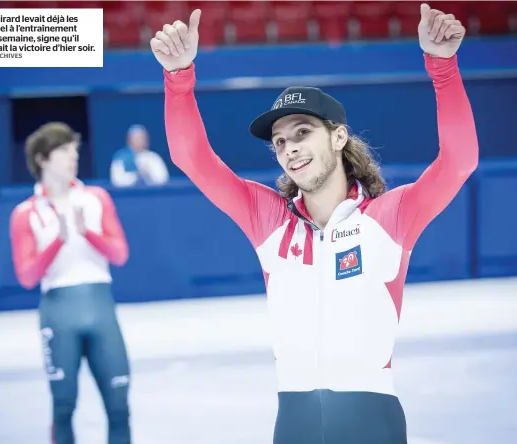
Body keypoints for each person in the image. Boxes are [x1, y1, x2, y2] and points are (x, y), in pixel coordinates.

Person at [151, 3, 478, 444]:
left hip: (372, 425)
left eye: (303, 132)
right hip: (295, 426)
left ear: (339, 137)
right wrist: (179, 76)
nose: (289, 148)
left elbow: (459, 161)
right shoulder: (266, 219)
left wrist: (442, 66)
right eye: (280, 141)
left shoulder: (390, 217)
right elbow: (192, 159)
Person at [9, 122, 132, 444]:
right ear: (42, 159)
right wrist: (57, 242)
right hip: (59, 315)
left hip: (101, 310)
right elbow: (26, 277)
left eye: (74, 151)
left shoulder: (96, 198)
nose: (72, 157)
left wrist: (86, 232)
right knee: (63, 407)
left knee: (119, 408)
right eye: (64, 151)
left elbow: (120, 254)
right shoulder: (25, 213)